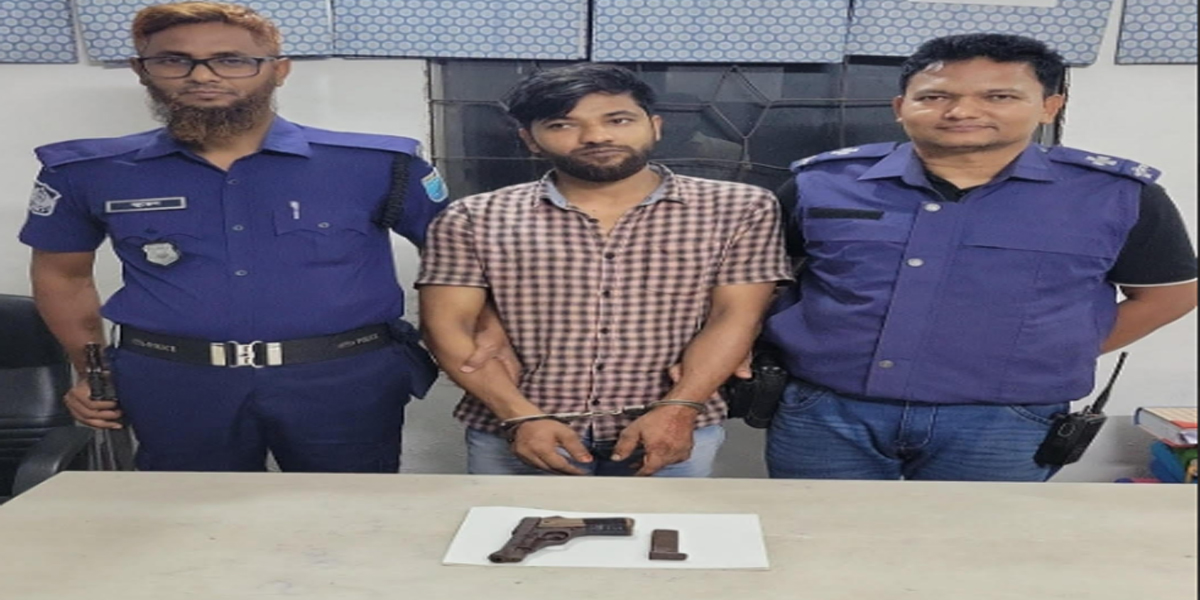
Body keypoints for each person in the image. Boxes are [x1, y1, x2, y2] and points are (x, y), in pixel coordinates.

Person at [19, 1, 448, 473]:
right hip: (174, 383)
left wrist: (452, 349)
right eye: (174, 60)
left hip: (344, 379)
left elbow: (454, 263)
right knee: (188, 511)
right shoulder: (86, 172)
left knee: (346, 507)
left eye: (231, 60)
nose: (202, 76)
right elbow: (63, 277)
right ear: (141, 70)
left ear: (278, 70)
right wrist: (92, 373)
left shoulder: (379, 165)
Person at [764, 33, 1198, 482]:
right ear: (900, 107)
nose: (961, 112)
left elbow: (1170, 297)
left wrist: (1056, 349)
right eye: (935, 97)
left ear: (1050, 106)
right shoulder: (823, 183)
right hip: (828, 411)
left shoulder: (1116, 196)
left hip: (1005, 420)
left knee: (978, 529)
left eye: (999, 96)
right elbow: (759, 281)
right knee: (817, 525)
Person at [418, 63, 792, 477]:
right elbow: (446, 325)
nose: (596, 136)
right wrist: (520, 416)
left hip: (668, 426)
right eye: (562, 125)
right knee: (511, 520)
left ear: (654, 126)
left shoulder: (739, 209)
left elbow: (736, 315)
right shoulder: (473, 218)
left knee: (664, 521)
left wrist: (680, 407)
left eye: (618, 120)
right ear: (530, 140)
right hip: (517, 429)